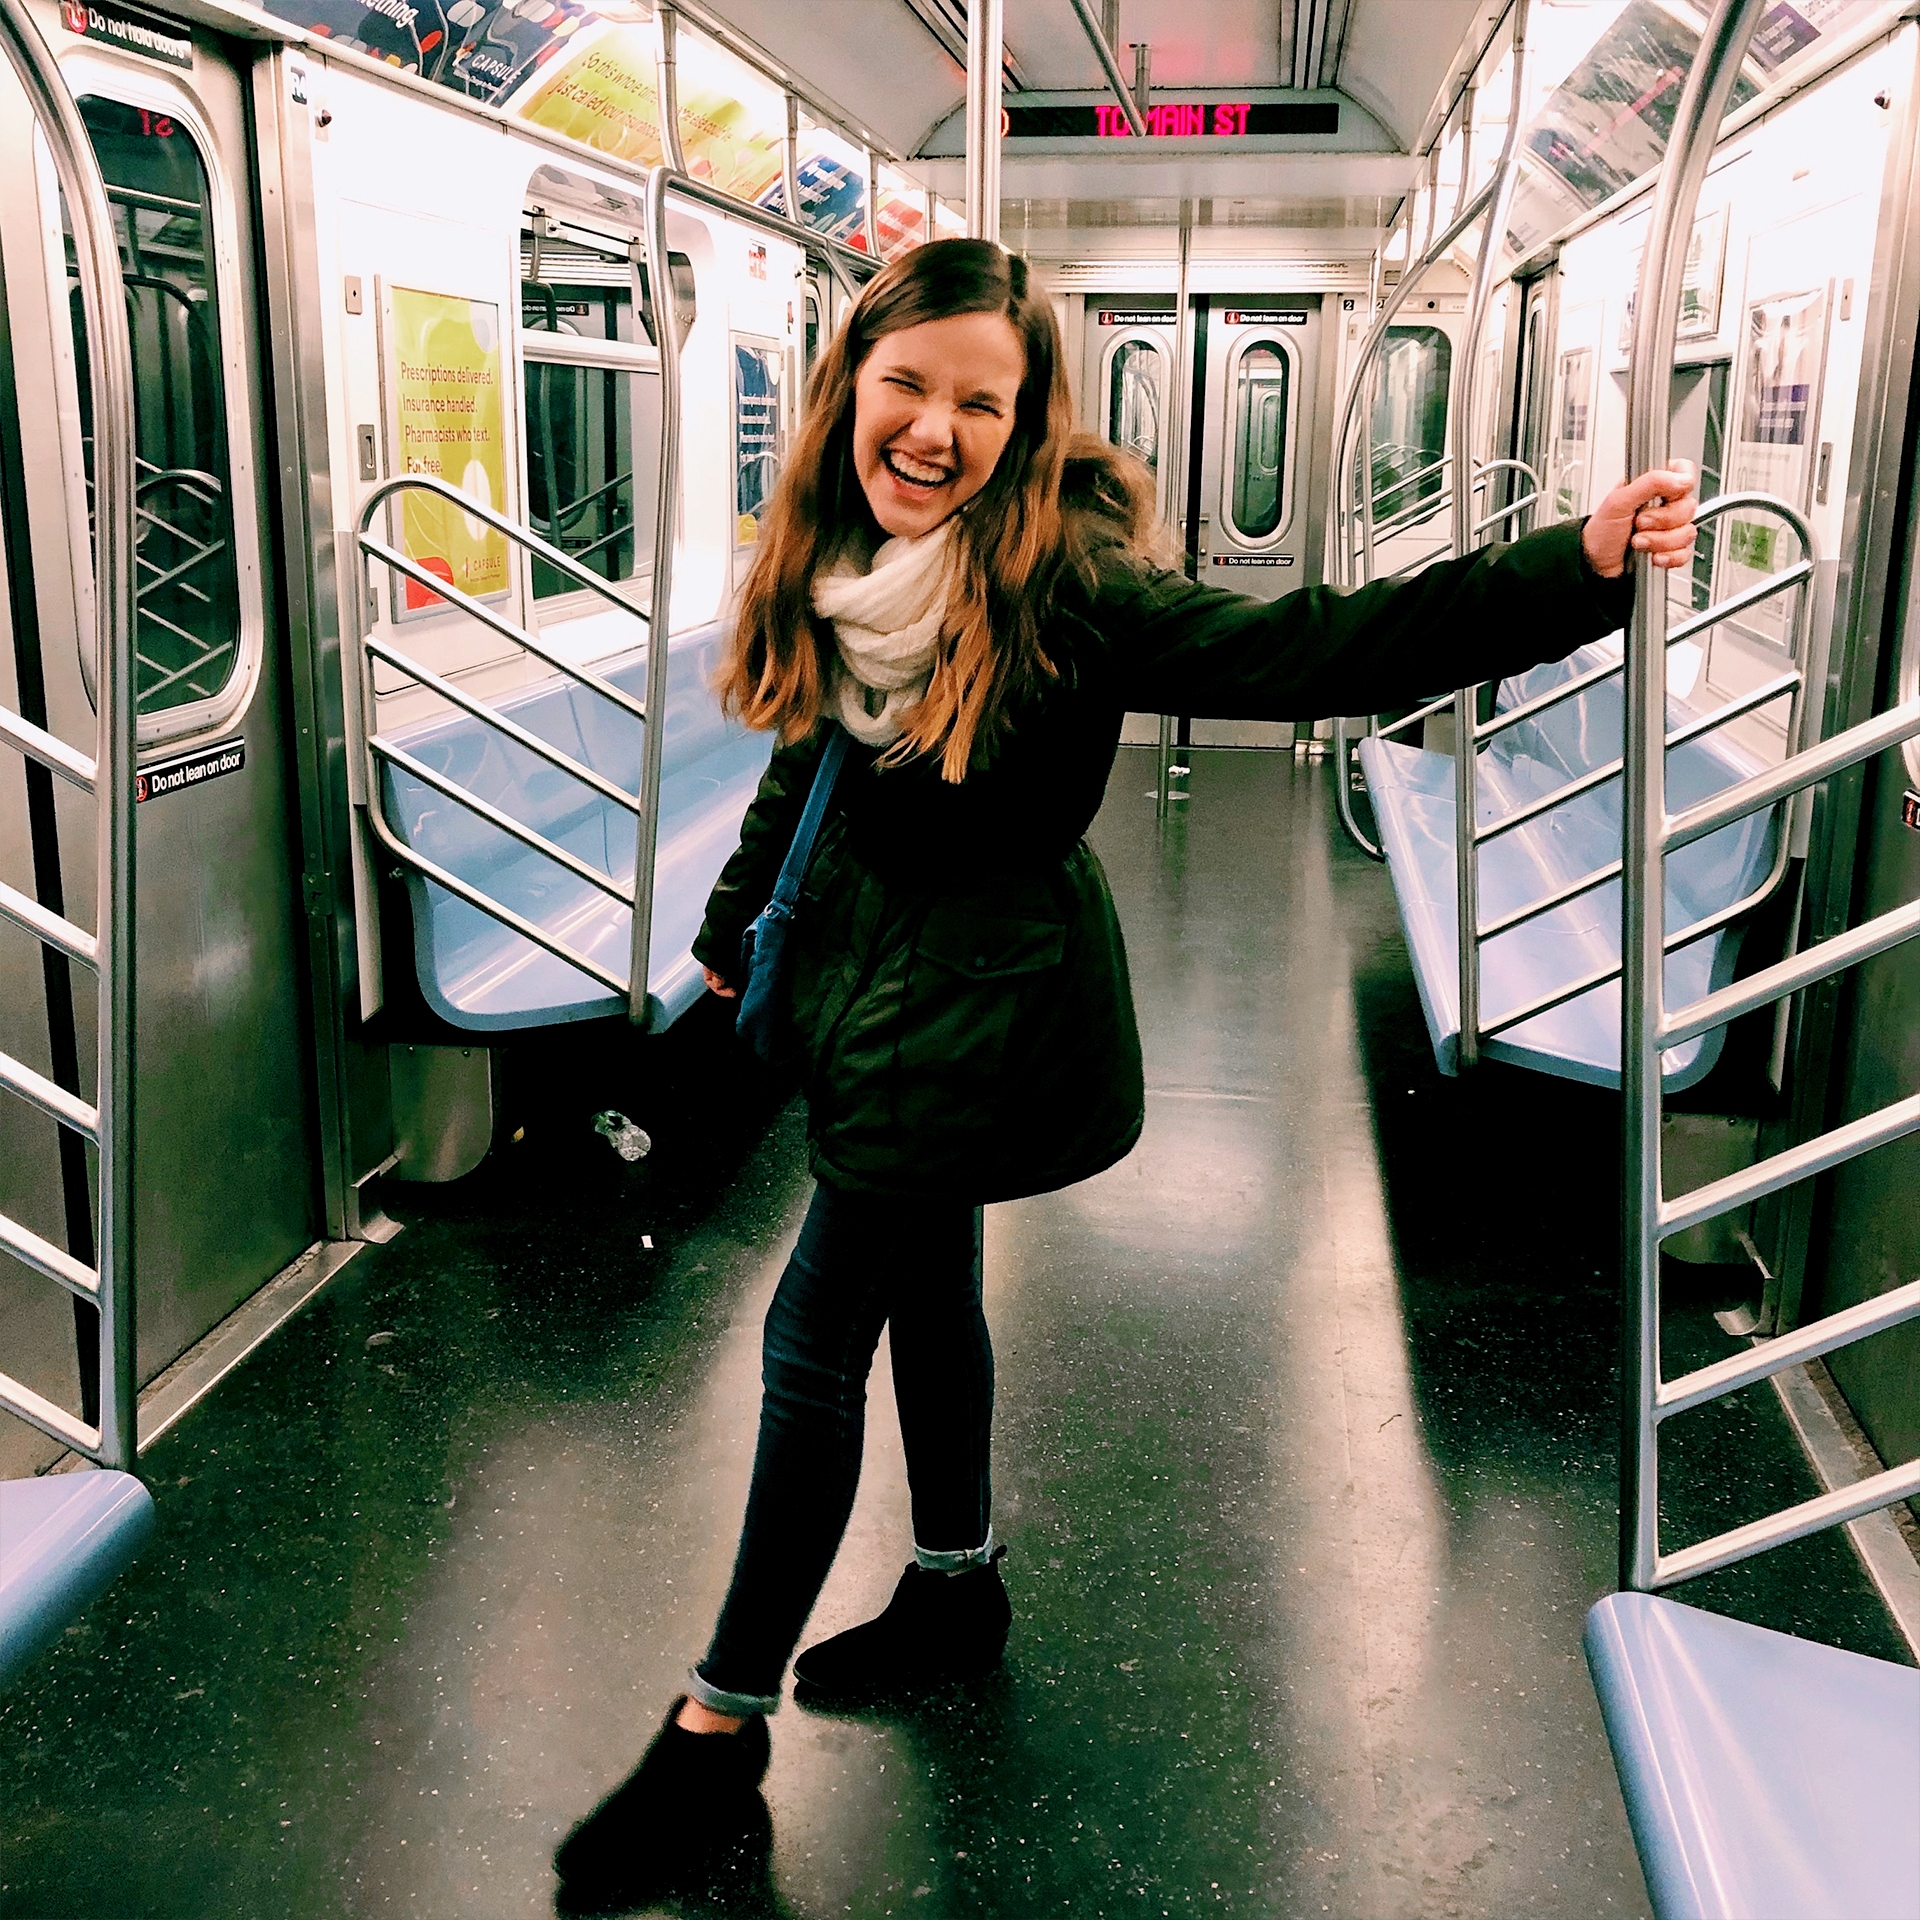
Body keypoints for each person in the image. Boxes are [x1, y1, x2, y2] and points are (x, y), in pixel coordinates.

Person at [553, 238, 1697, 1902]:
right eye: (907, 387)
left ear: (1026, 424)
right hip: (874, 966)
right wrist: (737, 922)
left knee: (813, 1343)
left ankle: (715, 1733)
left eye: (980, 403)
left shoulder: (1066, 586)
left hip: (979, 996)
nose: (935, 429)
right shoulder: (849, 555)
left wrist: (1572, 568)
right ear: (850, 390)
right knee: (930, 1284)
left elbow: (1324, 647)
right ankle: (955, 1584)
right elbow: (810, 762)